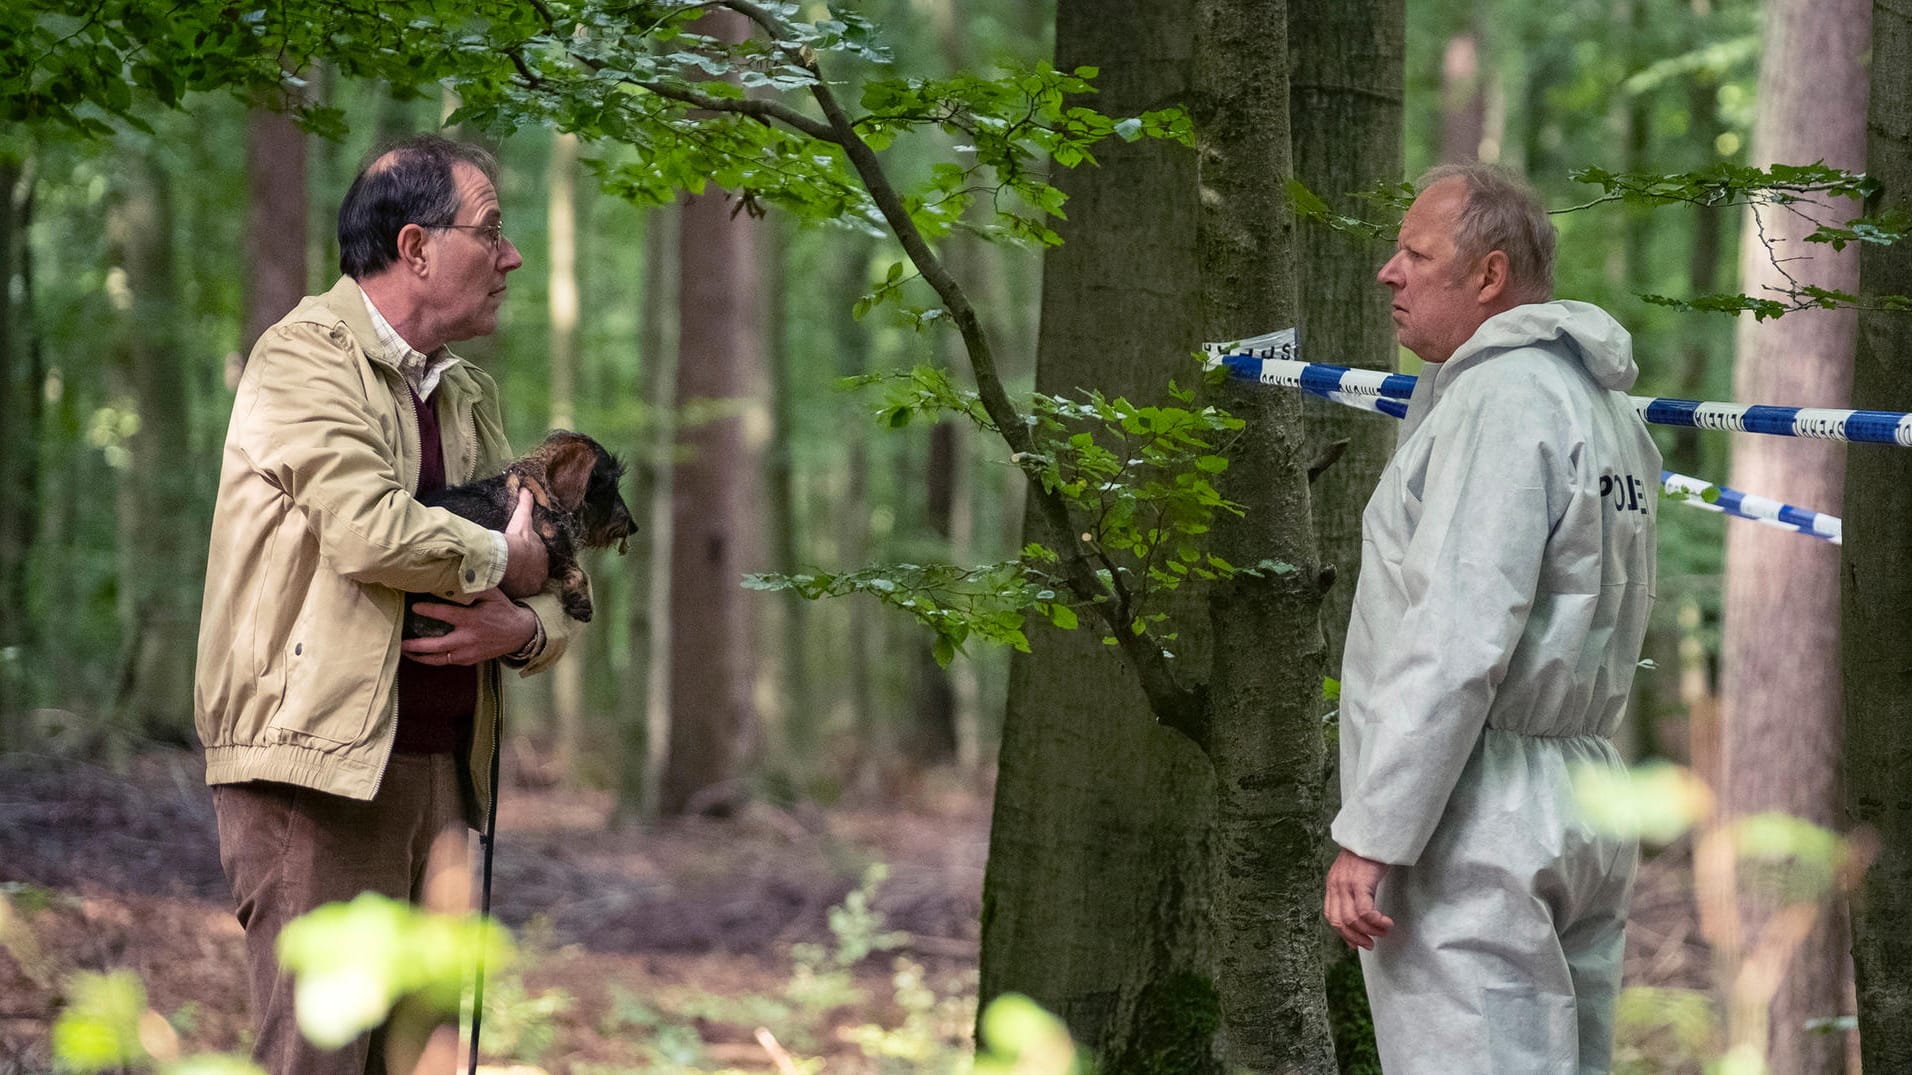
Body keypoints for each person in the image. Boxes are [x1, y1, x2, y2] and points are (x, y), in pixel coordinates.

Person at [194, 134, 584, 1075]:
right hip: (317, 779)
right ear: (415, 247)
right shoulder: (300, 360)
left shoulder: (468, 395)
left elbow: (555, 567)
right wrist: (502, 556)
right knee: (320, 1061)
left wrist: (522, 625)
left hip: (442, 774)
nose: (512, 256)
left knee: (427, 1063)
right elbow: (370, 531)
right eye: (491, 231)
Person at [1322, 163, 1660, 1074]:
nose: (1388, 271)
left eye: (1415, 253)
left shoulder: (1502, 402)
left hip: (1474, 812)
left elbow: (1457, 635)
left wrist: (1373, 830)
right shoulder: (1608, 412)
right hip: (1580, 797)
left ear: (1490, 276)